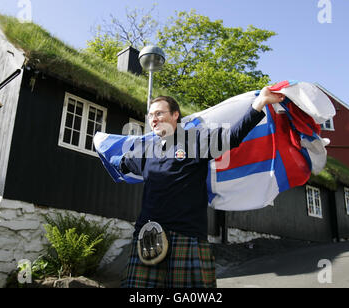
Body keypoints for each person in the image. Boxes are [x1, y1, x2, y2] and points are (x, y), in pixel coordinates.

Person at [120, 87, 285, 288]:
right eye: (151, 115)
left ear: (175, 115)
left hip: (185, 236)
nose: (154, 118)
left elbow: (232, 136)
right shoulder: (144, 152)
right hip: (147, 237)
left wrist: (259, 104)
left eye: (159, 113)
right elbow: (123, 162)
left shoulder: (195, 140)